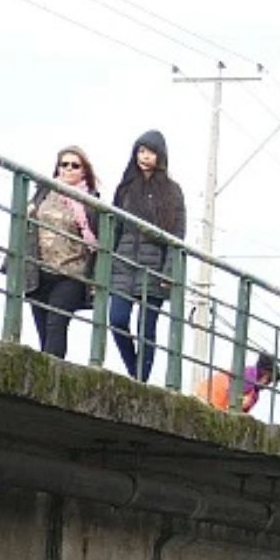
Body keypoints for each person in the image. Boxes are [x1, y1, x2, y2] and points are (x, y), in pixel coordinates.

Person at [108, 130, 187, 382]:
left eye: (150, 152)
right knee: (117, 320)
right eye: (141, 151)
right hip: (124, 263)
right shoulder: (125, 188)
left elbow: (177, 235)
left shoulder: (172, 191)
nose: (144, 157)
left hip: (154, 268)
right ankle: (135, 372)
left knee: (147, 328)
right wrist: (106, 263)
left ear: (160, 156)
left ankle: (140, 380)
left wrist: (168, 271)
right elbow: (113, 228)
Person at [17, 146, 101, 358]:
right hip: (38, 271)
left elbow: (101, 240)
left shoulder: (91, 202)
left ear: (84, 170)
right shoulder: (43, 192)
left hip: (72, 274)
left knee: (56, 324)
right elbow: (26, 223)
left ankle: (51, 373)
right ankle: (47, 371)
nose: (68, 169)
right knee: (43, 330)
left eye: (75, 165)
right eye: (64, 164)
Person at [195, 354, 279, 414]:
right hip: (210, 401)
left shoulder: (253, 389)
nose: (267, 384)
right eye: (269, 380)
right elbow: (235, 403)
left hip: (209, 399)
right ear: (264, 373)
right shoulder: (249, 377)